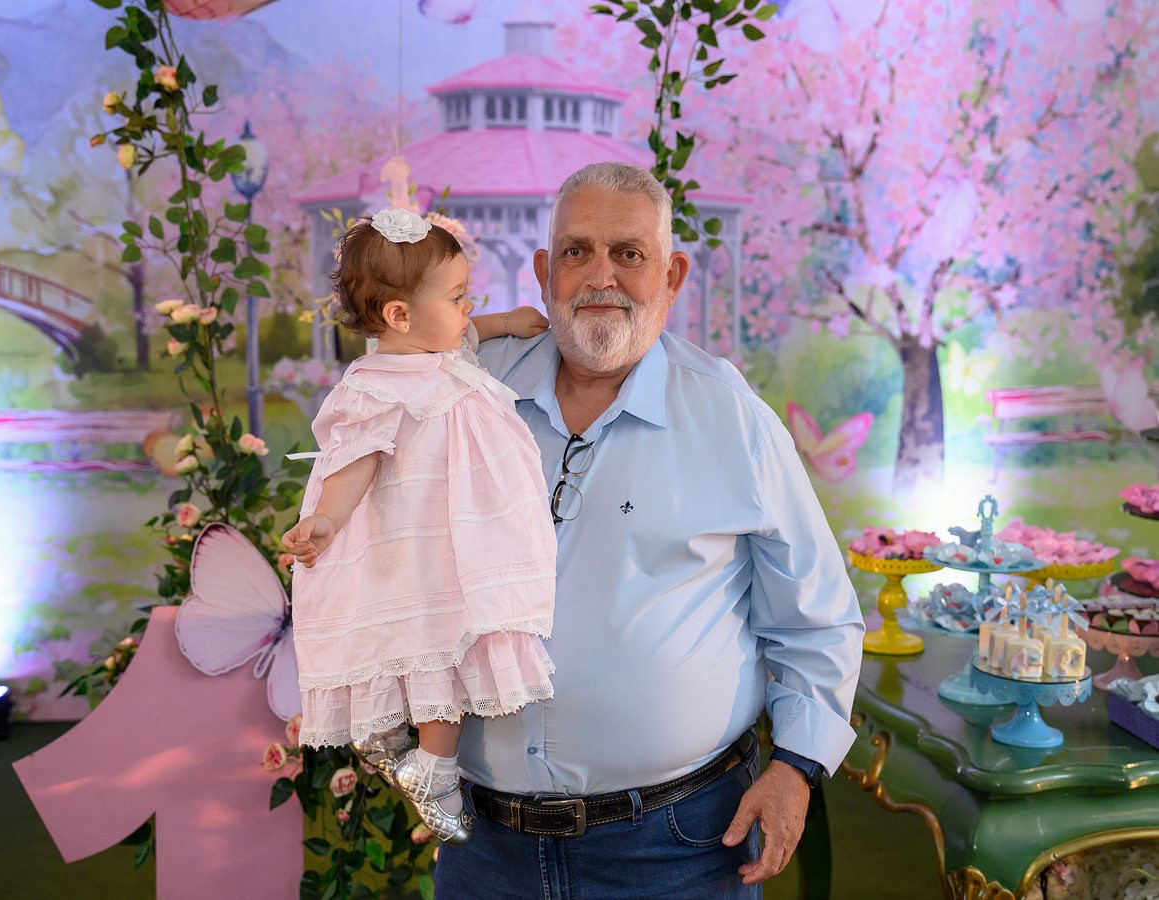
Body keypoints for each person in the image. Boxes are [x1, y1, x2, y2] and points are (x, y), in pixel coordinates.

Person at [434, 162, 865, 898]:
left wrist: (796, 766)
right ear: (543, 273)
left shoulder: (732, 420)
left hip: (677, 848)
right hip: (484, 848)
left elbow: (816, 619)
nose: (600, 275)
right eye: (576, 251)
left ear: (671, 276)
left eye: (628, 254)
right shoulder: (466, 395)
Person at [280, 208, 556, 845]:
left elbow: (467, 332)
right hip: (418, 543)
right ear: (399, 316)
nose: (468, 309)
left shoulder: (441, 348)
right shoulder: (376, 385)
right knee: (434, 647)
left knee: (458, 634)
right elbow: (353, 463)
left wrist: (506, 322)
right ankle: (432, 769)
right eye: (457, 298)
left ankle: (413, 758)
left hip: (465, 537)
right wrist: (326, 519)